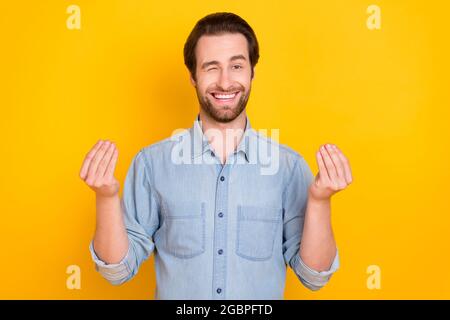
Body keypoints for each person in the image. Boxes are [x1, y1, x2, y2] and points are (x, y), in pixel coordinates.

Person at [79, 12, 353, 299]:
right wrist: (106, 198)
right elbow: (117, 272)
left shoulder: (289, 168)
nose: (225, 82)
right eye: (211, 68)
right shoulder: (152, 164)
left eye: (236, 66)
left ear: (252, 73)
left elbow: (313, 276)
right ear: (193, 77)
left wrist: (321, 201)